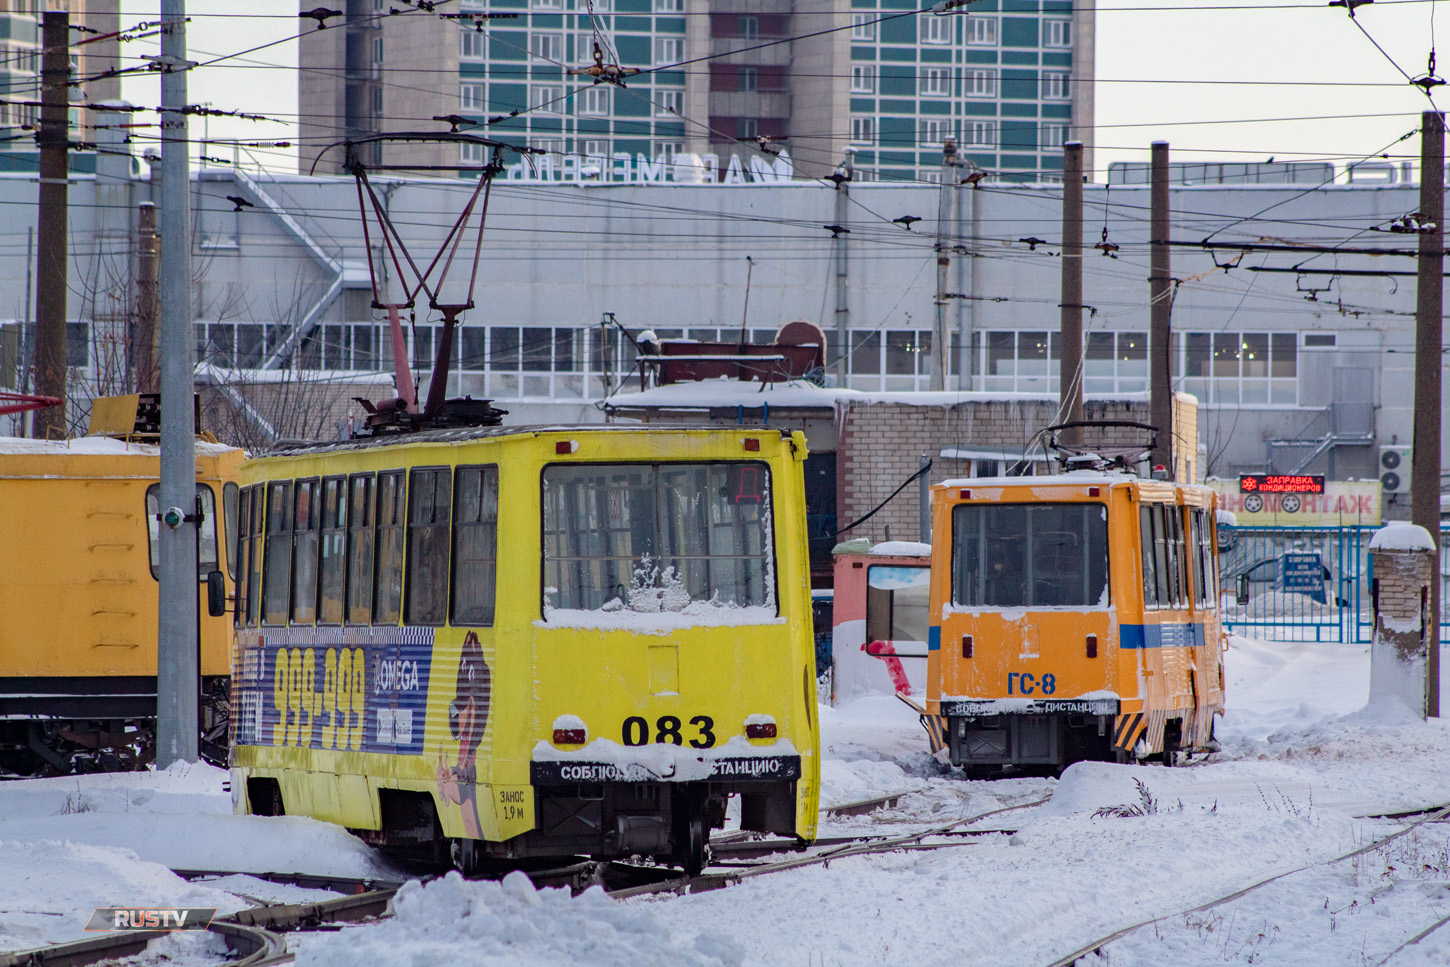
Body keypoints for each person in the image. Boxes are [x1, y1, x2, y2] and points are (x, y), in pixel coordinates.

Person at [436, 630, 491, 839]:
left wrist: (447, 785)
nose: (456, 714)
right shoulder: (467, 747)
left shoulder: (469, 753)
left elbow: (462, 794)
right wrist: (450, 774)